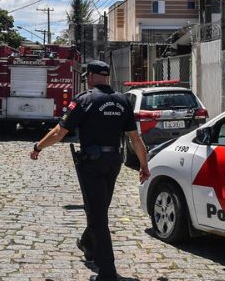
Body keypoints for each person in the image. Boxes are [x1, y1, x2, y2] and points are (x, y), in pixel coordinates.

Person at [29, 61, 150, 281]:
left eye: (87, 76)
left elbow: (59, 132)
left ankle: (108, 272)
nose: (86, 79)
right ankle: (87, 244)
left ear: (92, 76)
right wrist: (144, 165)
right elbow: (135, 138)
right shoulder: (123, 101)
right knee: (99, 209)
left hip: (92, 163)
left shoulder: (84, 99)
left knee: (98, 216)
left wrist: (38, 147)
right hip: (114, 161)